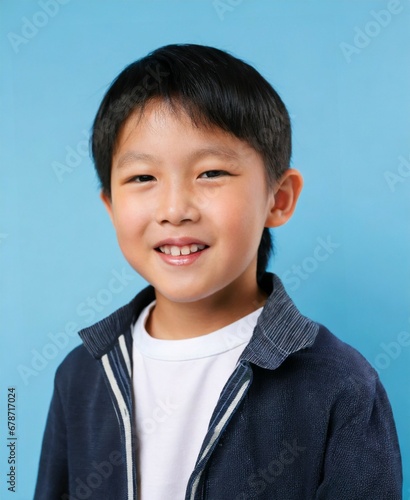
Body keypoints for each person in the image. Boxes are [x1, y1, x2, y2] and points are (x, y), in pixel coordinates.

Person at [34, 44, 402, 500]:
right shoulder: (81, 376)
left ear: (279, 198)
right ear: (110, 206)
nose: (174, 210)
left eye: (210, 173)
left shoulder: (339, 384)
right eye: (142, 178)